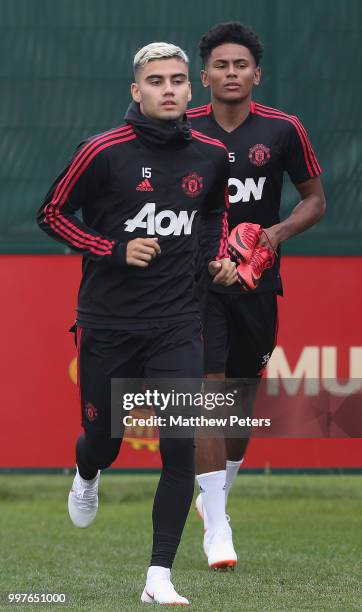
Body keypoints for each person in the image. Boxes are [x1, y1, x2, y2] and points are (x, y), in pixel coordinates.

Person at [37, 42, 236, 605]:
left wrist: (215, 255)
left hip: (178, 322)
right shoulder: (102, 151)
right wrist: (113, 247)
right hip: (108, 323)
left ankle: (158, 577)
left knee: (179, 448)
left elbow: (216, 213)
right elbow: (50, 213)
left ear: (190, 89)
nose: (168, 89)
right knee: (104, 440)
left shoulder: (210, 154)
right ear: (136, 91)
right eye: (156, 81)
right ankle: (87, 473)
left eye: (177, 80)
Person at [187, 22, 326, 569]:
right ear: (204, 77)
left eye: (240, 65)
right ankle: (217, 525)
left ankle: (216, 496)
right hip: (196, 283)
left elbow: (313, 200)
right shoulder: (181, 128)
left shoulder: (284, 129)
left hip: (257, 282)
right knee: (209, 394)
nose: (230, 73)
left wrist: (273, 236)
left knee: (241, 401)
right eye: (220, 65)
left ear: (256, 74)